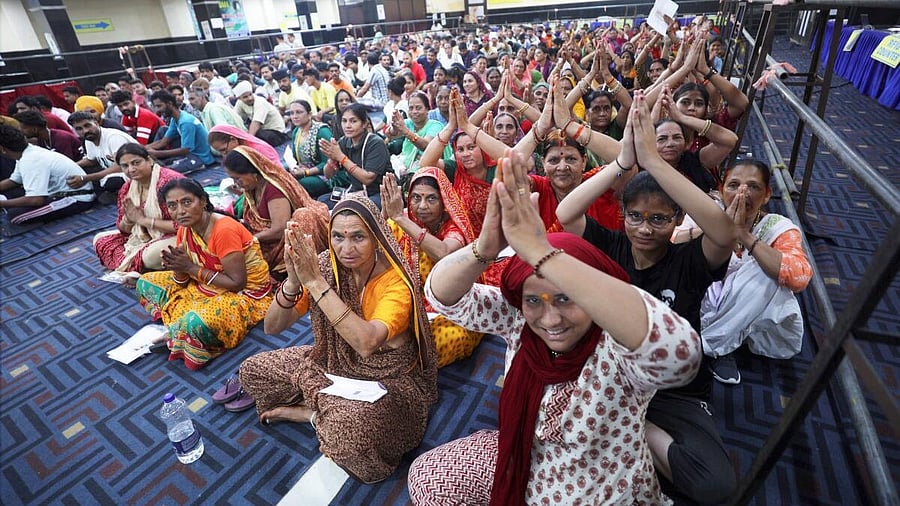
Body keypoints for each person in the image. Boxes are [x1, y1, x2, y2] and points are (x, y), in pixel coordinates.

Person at [407, 149, 702, 504]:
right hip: (526, 460)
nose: (550, 320)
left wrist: (541, 252)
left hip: (599, 490)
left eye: (566, 298)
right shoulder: (521, 321)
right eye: (535, 300)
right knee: (427, 479)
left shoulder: (618, 344)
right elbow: (441, 295)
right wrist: (485, 248)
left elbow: (681, 355)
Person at [556, 91, 738, 503]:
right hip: (610, 377)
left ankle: (632, 431)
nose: (644, 228)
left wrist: (654, 161)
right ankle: (624, 430)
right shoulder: (612, 246)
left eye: (659, 219)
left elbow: (724, 232)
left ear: (676, 220)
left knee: (716, 487)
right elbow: (567, 215)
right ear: (623, 215)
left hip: (673, 390)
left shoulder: (690, 260)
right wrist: (622, 163)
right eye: (635, 216)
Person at [238, 196, 438, 483]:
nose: (346, 249)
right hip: (332, 362)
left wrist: (316, 283)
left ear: (378, 238)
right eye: (338, 237)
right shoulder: (324, 266)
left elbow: (367, 344)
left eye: (358, 237)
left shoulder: (394, 282)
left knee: (350, 438)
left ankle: (311, 414)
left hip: (388, 379)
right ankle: (327, 406)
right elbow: (272, 328)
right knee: (252, 371)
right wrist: (294, 282)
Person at [136, 178, 273, 370]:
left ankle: (182, 328)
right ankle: (179, 328)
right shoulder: (186, 229)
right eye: (172, 206)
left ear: (202, 201)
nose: (180, 211)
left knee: (198, 321)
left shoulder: (223, 230)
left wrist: (190, 268)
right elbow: (182, 281)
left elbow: (237, 283)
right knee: (145, 282)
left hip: (246, 295)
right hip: (205, 284)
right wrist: (178, 267)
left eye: (186, 202)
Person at [701, 160, 812, 384]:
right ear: (722, 190)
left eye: (753, 187)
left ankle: (713, 346)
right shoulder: (705, 213)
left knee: (768, 271)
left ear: (767, 195)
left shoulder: (778, 226)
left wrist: (744, 235)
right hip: (703, 300)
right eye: (733, 185)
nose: (743, 193)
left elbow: (799, 277)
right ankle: (718, 341)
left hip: (752, 309)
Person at [380, 169, 484, 367]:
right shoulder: (401, 220)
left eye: (431, 199)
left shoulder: (454, 227)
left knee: (441, 342)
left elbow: (444, 253)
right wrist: (386, 215)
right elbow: (376, 253)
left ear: (444, 202)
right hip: (407, 299)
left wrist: (402, 220)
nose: (422, 206)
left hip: (449, 308)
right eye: (416, 198)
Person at [222, 146, 329, 279]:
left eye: (238, 178)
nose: (236, 183)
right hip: (271, 242)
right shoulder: (252, 190)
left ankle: (302, 271)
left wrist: (252, 239)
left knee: (304, 216)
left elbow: (279, 229)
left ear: (254, 173)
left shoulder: (273, 189)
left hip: (283, 240)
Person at [93, 143, 183, 274]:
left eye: (136, 163)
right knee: (100, 239)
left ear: (149, 160)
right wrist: (129, 219)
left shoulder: (170, 183)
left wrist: (143, 220)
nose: (131, 169)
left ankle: (141, 266)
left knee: (151, 255)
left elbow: (185, 225)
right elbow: (123, 230)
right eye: (125, 166)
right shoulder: (127, 188)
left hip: (182, 235)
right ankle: (140, 266)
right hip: (146, 237)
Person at [0, 125, 94, 224]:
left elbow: (36, 200)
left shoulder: (30, 160)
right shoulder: (26, 152)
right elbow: (14, 180)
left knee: (15, 217)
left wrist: (3, 204)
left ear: (2, 148)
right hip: (59, 193)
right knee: (11, 193)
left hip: (77, 198)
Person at [318, 103, 391, 209]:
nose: (347, 125)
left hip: (380, 193)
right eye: (344, 121)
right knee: (322, 202)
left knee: (356, 208)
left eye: (353, 121)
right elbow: (328, 175)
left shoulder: (376, 143)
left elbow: (367, 179)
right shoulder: (344, 141)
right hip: (357, 191)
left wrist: (341, 157)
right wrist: (331, 159)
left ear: (364, 124)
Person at [67, 111, 137, 203]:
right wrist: (70, 166)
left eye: (87, 125)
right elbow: (91, 160)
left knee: (113, 182)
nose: (85, 131)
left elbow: (121, 167)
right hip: (114, 171)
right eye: (79, 129)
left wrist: (85, 178)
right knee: (82, 172)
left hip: (134, 170)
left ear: (96, 123)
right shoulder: (89, 138)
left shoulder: (114, 137)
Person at [147, 90, 214, 173]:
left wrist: (158, 153)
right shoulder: (175, 119)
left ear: (170, 104)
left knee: (166, 172)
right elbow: (163, 142)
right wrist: (144, 149)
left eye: (159, 106)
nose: (157, 110)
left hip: (200, 158)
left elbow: (185, 150)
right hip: (190, 155)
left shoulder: (186, 122)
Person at [386, 92, 442, 184]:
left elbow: (426, 146)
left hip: (428, 172)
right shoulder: (408, 123)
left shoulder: (435, 126)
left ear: (427, 109)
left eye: (418, 108)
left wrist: (406, 132)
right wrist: (394, 125)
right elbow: (391, 134)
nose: (414, 112)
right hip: (405, 169)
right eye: (411, 108)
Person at [283, 100, 333, 198]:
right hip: (303, 171)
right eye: (291, 113)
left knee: (296, 184)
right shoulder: (296, 132)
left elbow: (329, 163)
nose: (295, 116)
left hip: (325, 176)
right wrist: (294, 168)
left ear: (309, 114)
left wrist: (306, 172)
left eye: (299, 112)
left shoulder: (322, 132)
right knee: (281, 172)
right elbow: (295, 159)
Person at [233, 81, 289, 147]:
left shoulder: (260, 102)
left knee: (256, 134)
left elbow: (256, 123)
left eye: (250, 94)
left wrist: (248, 142)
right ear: (239, 98)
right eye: (245, 97)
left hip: (277, 133)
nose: (250, 98)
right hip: (261, 130)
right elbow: (235, 118)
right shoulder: (239, 103)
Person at [13, 110, 83, 162]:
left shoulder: (62, 138)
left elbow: (68, 163)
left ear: (35, 129)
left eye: (24, 128)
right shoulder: (42, 139)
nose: (21, 131)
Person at [207, 124, 281, 167]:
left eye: (223, 150)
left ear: (233, 139)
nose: (224, 154)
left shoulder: (259, 150)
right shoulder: (240, 152)